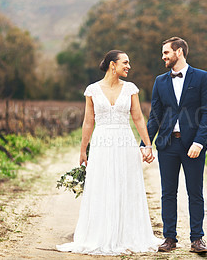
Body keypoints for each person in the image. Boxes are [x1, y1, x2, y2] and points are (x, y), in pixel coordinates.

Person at [56, 50, 161, 255]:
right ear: (113, 65)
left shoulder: (130, 89)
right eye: (125, 62)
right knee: (102, 186)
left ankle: (126, 234)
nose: (129, 66)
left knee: (126, 185)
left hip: (125, 142)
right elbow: (88, 121)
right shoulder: (92, 90)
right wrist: (83, 149)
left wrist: (148, 145)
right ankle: (101, 234)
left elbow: (138, 118)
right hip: (101, 144)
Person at [140, 37, 207, 253]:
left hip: (193, 145)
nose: (163, 57)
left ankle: (197, 239)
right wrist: (145, 144)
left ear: (179, 52)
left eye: (166, 53)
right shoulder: (160, 81)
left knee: (195, 192)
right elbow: (154, 115)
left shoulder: (201, 77)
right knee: (168, 192)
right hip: (168, 145)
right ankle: (169, 238)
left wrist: (200, 142)